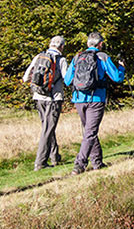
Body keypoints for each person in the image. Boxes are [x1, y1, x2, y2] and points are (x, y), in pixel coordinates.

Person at [64, 31, 125, 175]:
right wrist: (122, 67)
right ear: (100, 44)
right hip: (96, 99)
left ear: (87, 44)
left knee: (89, 131)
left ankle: (97, 163)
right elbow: (117, 78)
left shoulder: (77, 57)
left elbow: (67, 81)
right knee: (90, 133)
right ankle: (79, 165)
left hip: (79, 98)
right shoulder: (103, 57)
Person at [23, 35, 68, 171]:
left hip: (38, 96)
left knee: (47, 127)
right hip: (53, 98)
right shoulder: (61, 60)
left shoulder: (39, 57)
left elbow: (26, 78)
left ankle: (54, 157)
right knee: (48, 129)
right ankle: (40, 162)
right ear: (61, 46)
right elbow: (67, 80)